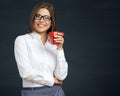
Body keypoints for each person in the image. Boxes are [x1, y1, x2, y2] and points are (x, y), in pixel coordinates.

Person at [14, 1, 68, 96]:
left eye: (47, 18)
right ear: (33, 19)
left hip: (56, 92)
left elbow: (61, 76)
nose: (42, 20)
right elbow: (25, 72)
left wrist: (60, 49)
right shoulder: (22, 40)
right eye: (38, 16)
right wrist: (52, 80)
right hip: (33, 92)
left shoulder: (53, 44)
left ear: (51, 22)